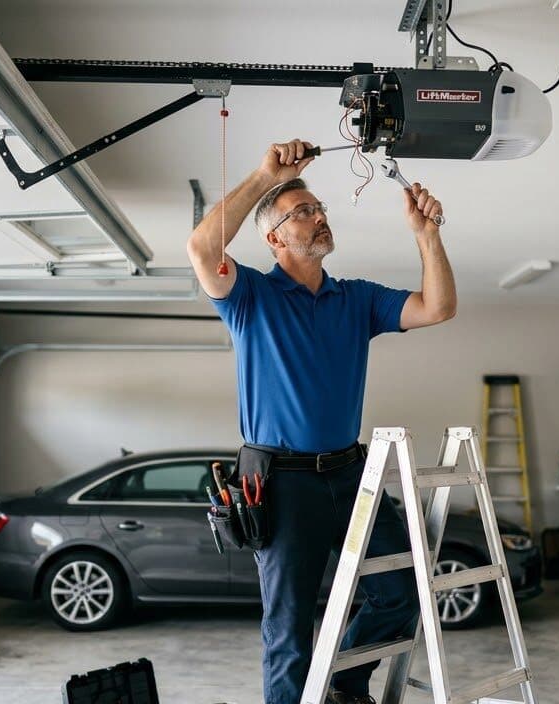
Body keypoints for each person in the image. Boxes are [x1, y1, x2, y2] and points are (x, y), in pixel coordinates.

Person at [187, 139, 457, 704]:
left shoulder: (356, 299)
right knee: (288, 632)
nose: (318, 217)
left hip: (351, 473)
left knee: (402, 591)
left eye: (320, 210)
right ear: (275, 237)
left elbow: (438, 307)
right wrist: (266, 175)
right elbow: (201, 245)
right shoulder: (250, 297)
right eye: (303, 212)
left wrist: (426, 235)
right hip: (279, 483)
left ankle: (343, 684)